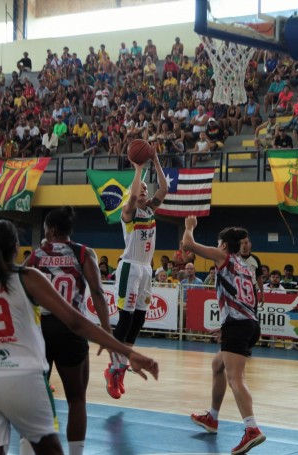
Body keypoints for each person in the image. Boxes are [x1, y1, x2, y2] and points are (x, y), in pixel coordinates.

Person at [0, 220, 159, 455]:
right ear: (16, 247)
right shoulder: (26, 277)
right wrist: (126, 351)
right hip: (21, 379)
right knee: (61, 425)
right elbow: (75, 321)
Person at [24, 207, 112, 455]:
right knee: (76, 400)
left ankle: (28, 449)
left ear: (50, 230)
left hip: (40, 329)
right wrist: (106, 331)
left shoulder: (37, 255)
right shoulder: (84, 253)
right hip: (71, 327)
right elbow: (97, 292)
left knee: (34, 397)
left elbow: (18, 287)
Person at [182, 216, 266, 455]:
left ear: (223, 245)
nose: (217, 246)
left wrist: (189, 227)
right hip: (247, 323)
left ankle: (252, 429)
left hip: (239, 325)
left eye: (219, 243)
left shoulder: (224, 258)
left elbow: (188, 245)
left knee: (235, 378)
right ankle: (212, 417)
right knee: (218, 364)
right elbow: (245, 299)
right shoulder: (246, 267)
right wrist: (229, 324)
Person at [104, 150, 168, 399]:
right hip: (130, 267)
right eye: (139, 188)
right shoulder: (128, 211)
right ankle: (113, 368)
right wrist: (138, 168)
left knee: (140, 320)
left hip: (146, 268)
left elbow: (163, 188)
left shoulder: (151, 209)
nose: (143, 190)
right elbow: (131, 196)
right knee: (126, 319)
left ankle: (120, 366)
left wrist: (156, 161)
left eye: (144, 188)